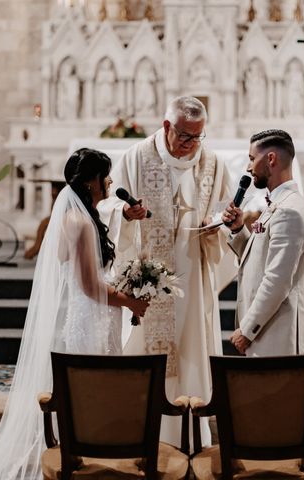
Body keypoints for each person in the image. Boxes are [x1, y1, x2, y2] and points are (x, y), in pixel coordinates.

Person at [0, 148, 148, 480]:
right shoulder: (78, 222)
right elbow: (90, 286)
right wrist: (129, 301)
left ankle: (90, 460)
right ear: (92, 180)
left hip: (91, 314)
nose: (109, 181)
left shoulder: (79, 216)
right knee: (91, 394)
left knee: (90, 394)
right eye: (105, 175)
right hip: (91, 316)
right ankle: (87, 463)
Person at [99, 96, 232, 448]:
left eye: (198, 137)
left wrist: (220, 224)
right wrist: (126, 216)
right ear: (167, 127)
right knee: (150, 356)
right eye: (186, 136)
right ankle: (146, 436)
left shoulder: (213, 164)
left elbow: (228, 211)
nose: (192, 145)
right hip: (149, 281)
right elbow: (108, 206)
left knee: (192, 351)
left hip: (194, 276)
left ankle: (190, 438)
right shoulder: (135, 158)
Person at [222, 129, 304, 356]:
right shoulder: (279, 205)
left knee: (275, 391)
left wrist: (247, 329)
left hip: (276, 334)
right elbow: (260, 258)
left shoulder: (289, 212)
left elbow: (277, 280)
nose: (248, 167)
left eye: (252, 159)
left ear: (271, 159)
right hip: (267, 330)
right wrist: (238, 229)